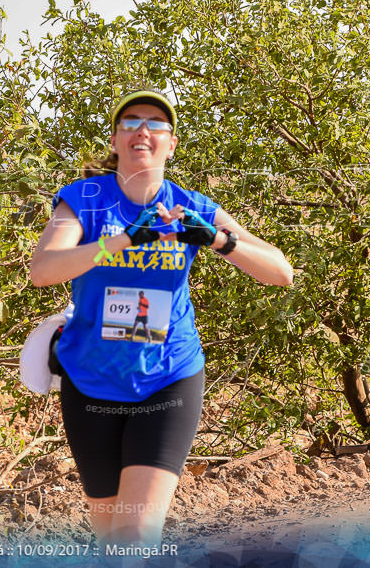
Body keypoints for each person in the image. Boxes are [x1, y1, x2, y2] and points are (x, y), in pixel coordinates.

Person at [29, 89, 294, 549]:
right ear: (115, 140)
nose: (142, 131)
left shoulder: (191, 205)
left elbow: (280, 272)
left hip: (168, 378)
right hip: (91, 381)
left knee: (136, 534)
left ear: (171, 144)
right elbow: (43, 270)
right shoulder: (83, 200)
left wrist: (215, 238)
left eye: (155, 124)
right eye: (130, 123)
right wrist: (125, 240)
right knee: (112, 534)